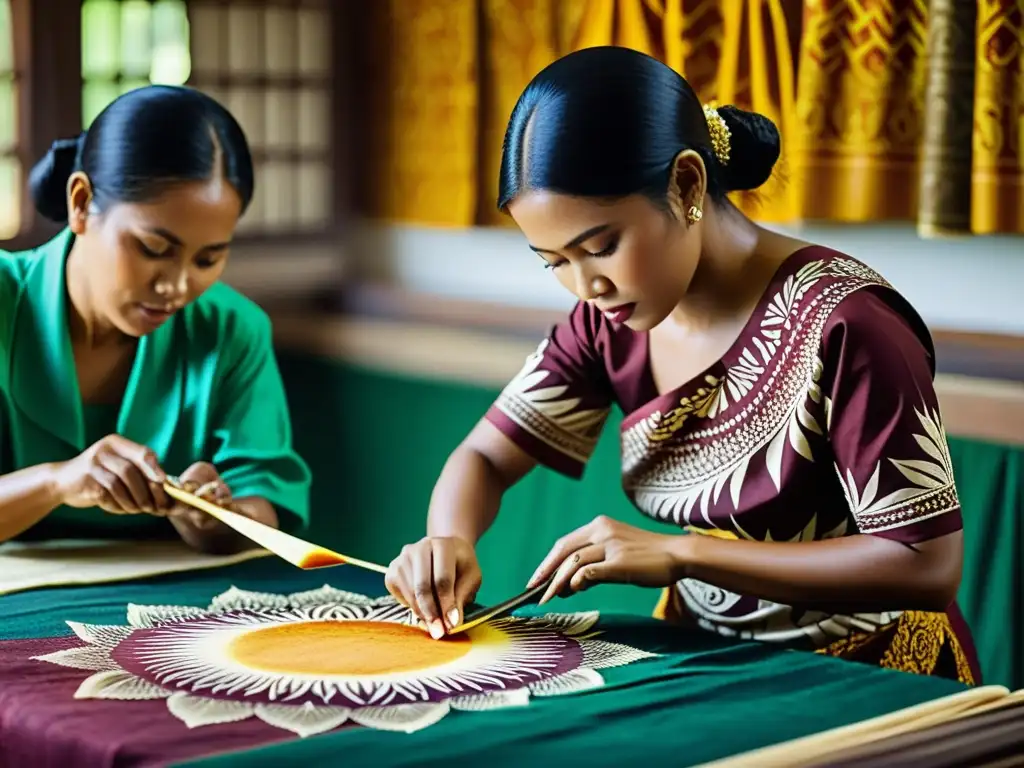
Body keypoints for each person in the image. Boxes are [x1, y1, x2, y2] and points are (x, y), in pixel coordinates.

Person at [384, 47, 979, 684]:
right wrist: (447, 540)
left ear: (687, 185)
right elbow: (484, 458)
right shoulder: (607, 325)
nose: (587, 286)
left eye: (601, 247)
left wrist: (681, 555)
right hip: (703, 656)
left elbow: (925, 564)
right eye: (553, 261)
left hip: (873, 673)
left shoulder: (847, 322)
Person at [0, 85, 311, 554]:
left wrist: (213, 516)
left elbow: (265, 507)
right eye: (153, 249)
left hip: (172, 602)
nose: (178, 287)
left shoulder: (231, 328)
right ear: (81, 203)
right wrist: (58, 483)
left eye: (208, 260)